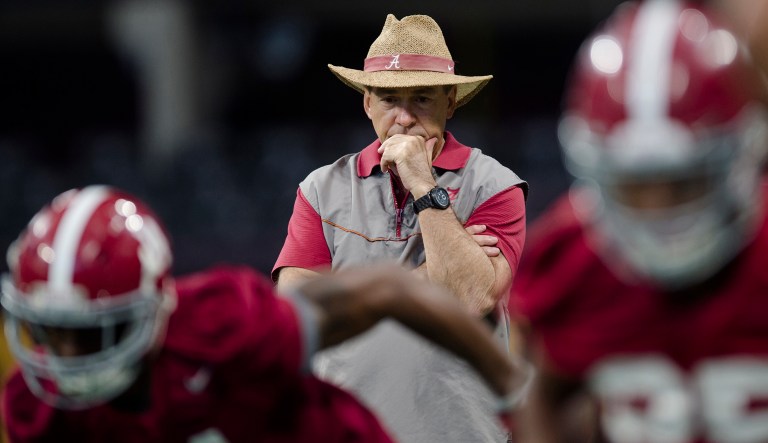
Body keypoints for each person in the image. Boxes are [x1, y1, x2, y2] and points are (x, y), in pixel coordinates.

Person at [0, 185, 531, 442]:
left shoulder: (221, 327)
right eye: (53, 332)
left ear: (152, 312)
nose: (66, 358)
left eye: (92, 335)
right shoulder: (38, 411)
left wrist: (514, 392)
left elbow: (387, 292)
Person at [510, 1, 768, 442]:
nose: (660, 213)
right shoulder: (569, 260)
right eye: (634, 186)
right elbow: (534, 385)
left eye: (685, 183)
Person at [272, 13, 528, 443]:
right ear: (367, 103)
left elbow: (469, 296)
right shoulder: (320, 189)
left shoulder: (495, 185)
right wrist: (418, 283)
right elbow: (293, 317)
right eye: (389, 100)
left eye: (422, 99)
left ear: (451, 102)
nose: (405, 119)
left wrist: (422, 183)